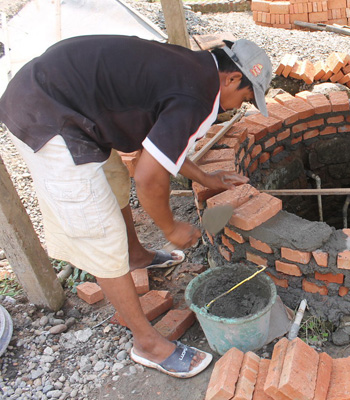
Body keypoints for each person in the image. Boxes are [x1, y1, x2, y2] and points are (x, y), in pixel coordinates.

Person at [0, 35, 272, 378]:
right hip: (46, 113)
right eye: (245, 97)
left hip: (66, 99)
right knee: (98, 230)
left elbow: (157, 147)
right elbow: (148, 178)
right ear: (233, 78)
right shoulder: (197, 97)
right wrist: (171, 228)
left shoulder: (193, 68)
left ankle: (136, 256)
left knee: (113, 180)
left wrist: (204, 177)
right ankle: (147, 343)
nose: (237, 107)